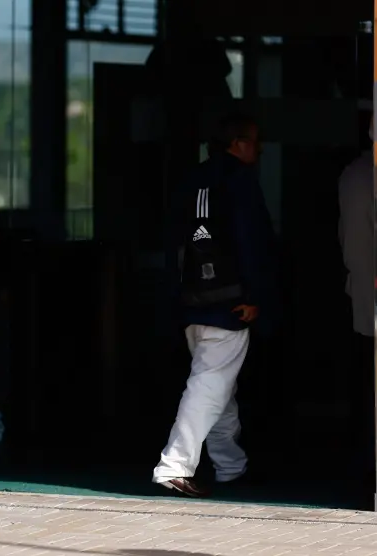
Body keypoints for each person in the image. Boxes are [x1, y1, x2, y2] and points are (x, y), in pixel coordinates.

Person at [152, 112, 277, 497]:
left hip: (192, 299)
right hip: (229, 303)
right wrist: (254, 296)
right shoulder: (239, 181)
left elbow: (175, 241)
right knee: (209, 384)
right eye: (255, 141)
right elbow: (251, 242)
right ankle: (174, 465)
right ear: (237, 144)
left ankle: (230, 465)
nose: (259, 148)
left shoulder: (193, 179)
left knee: (218, 386)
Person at [336, 113, 375, 471]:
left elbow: (348, 239)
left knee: (369, 383)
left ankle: (367, 467)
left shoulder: (353, 173)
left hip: (363, 292)